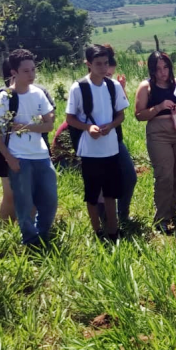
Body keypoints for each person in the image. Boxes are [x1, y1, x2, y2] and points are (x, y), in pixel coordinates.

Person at [0, 49, 57, 247]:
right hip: (19, 157)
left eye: (33, 70)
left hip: (41, 155)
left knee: (50, 200)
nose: (31, 75)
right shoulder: (5, 98)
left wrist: (26, 127)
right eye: (26, 71)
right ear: (14, 73)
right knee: (24, 204)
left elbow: (49, 125)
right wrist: (9, 158)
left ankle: (42, 234)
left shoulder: (39, 94)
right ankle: (30, 241)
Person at [65, 44, 129, 239]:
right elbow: (70, 118)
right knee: (92, 193)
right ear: (88, 64)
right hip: (90, 149)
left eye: (106, 63)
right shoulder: (79, 87)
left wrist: (110, 126)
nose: (103, 68)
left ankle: (113, 230)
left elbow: (121, 115)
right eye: (98, 64)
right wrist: (87, 127)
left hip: (110, 148)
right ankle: (97, 231)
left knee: (111, 192)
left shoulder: (113, 86)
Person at [134, 51, 176, 231]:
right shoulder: (146, 87)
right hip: (158, 133)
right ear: (152, 70)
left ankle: (173, 210)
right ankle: (161, 218)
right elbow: (139, 115)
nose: (163, 72)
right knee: (164, 175)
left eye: (165, 67)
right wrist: (158, 107)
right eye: (158, 69)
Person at [99, 45, 137, 225]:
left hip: (115, 137)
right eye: (107, 75)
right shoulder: (84, 88)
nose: (109, 78)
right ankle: (104, 218)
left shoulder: (113, 86)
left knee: (129, 176)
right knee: (101, 183)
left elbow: (121, 111)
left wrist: (121, 89)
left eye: (111, 75)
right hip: (95, 142)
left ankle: (122, 214)